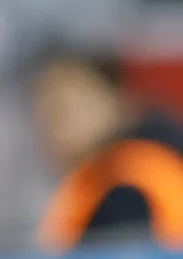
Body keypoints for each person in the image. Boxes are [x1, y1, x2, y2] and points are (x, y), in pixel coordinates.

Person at [33, 46, 183, 252]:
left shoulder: (127, 185)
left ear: (114, 98)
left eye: (65, 108)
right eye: (45, 111)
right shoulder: (105, 175)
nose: (55, 126)